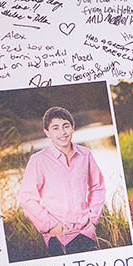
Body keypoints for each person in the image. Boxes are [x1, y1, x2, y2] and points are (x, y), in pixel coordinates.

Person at [19, 106, 106, 256]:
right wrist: (51, 225)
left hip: (86, 233)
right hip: (59, 237)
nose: (62, 132)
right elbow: (27, 198)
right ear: (47, 132)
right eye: (55, 128)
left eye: (66, 126)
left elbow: (97, 187)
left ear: (72, 128)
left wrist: (93, 219)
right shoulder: (38, 160)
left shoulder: (85, 155)